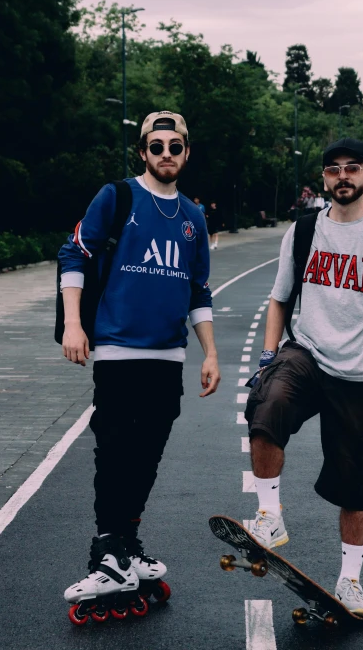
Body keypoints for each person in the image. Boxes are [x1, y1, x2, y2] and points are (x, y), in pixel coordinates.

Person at [244, 137, 363, 621]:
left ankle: (351, 582)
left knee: (354, 483)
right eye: (333, 169)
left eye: (353, 168)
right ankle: (268, 518)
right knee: (268, 401)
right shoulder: (303, 232)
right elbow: (281, 298)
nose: (342, 176)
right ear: (324, 178)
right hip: (309, 353)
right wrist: (267, 356)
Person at [59, 110, 221, 616]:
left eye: (175, 146)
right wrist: (73, 324)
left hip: (167, 355)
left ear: (187, 152)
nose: (166, 154)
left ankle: (126, 544)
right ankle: (107, 551)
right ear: (143, 152)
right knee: (114, 447)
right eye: (157, 146)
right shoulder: (118, 196)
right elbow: (74, 253)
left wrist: (210, 352)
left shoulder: (194, 217)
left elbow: (198, 291)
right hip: (116, 348)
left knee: (147, 452)